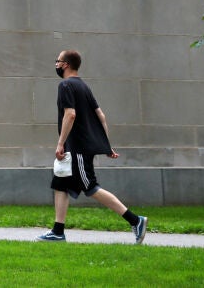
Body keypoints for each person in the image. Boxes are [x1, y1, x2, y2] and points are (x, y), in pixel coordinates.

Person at [39, 50, 147, 244]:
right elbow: (101, 116)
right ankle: (57, 231)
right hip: (77, 149)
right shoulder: (84, 86)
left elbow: (70, 114)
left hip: (77, 148)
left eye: (58, 61)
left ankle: (135, 220)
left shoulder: (65, 85)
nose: (55, 64)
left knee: (90, 187)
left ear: (66, 64)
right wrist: (107, 145)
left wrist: (60, 142)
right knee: (60, 184)